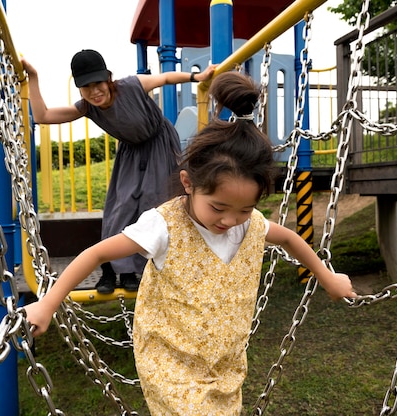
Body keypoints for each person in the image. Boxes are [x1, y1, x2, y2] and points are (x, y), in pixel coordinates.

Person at [23, 71, 357, 415]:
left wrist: (327, 278)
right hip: (171, 363)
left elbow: (288, 238)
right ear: (187, 183)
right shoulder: (164, 225)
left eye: (246, 208)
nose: (229, 220)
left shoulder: (248, 226)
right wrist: (48, 304)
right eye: (218, 207)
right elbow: (97, 253)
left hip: (224, 366)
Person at [21, 50, 217, 294]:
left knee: (156, 204)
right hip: (131, 153)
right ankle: (110, 269)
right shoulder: (87, 108)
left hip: (160, 145)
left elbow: (165, 78)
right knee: (120, 207)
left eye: (98, 83)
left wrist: (196, 77)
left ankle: (135, 271)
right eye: (86, 87)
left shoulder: (131, 86)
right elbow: (43, 116)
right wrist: (33, 76)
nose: (94, 92)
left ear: (108, 79)